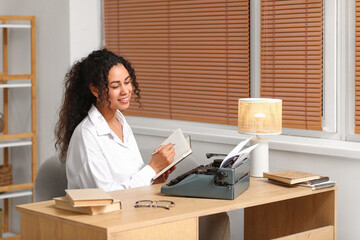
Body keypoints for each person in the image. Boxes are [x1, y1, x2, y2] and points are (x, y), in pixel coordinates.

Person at [54, 49, 175, 191]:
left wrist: (154, 177)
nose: (125, 91)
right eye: (115, 86)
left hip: (132, 208)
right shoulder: (87, 134)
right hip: (104, 212)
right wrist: (152, 168)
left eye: (127, 82)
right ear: (95, 90)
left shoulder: (120, 121)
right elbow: (106, 195)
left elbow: (130, 180)